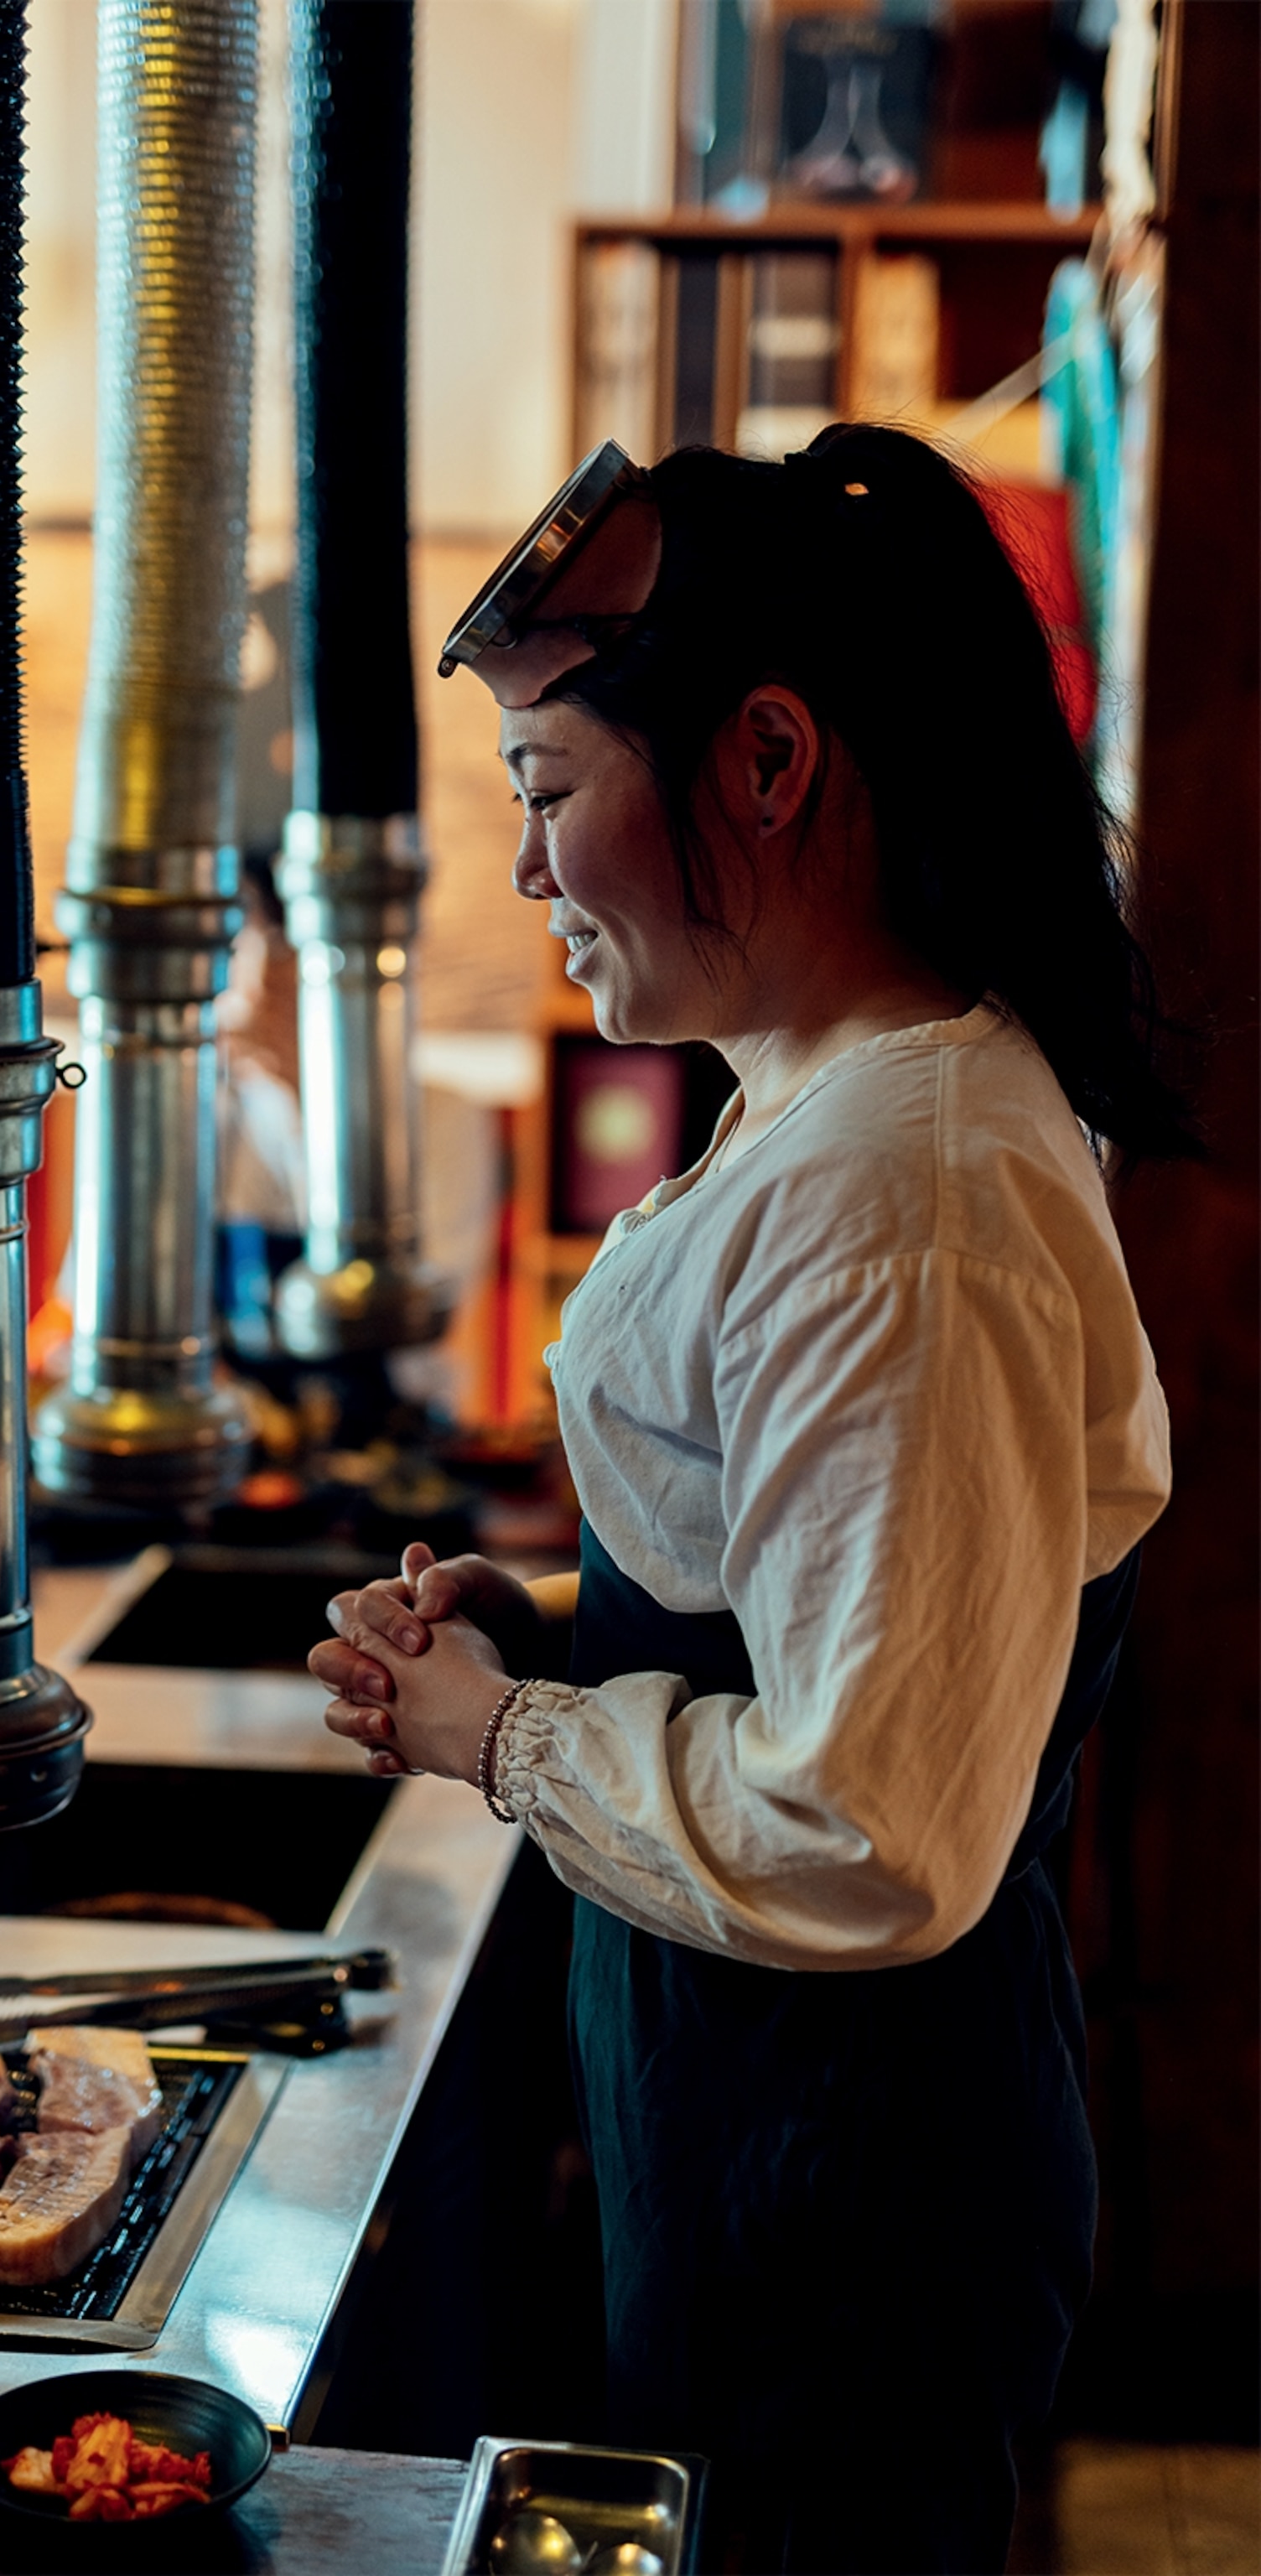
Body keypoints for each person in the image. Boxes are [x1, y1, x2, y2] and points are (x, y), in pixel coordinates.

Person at [308, 426, 1191, 2574]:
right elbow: (799, 1583)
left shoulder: (907, 1190)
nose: (527, 868)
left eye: (541, 786)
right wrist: (534, 1614)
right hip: (757, 2128)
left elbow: (870, 1820)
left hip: (852, 2185)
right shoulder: (831, 1117)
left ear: (766, 757)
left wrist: (502, 1735)